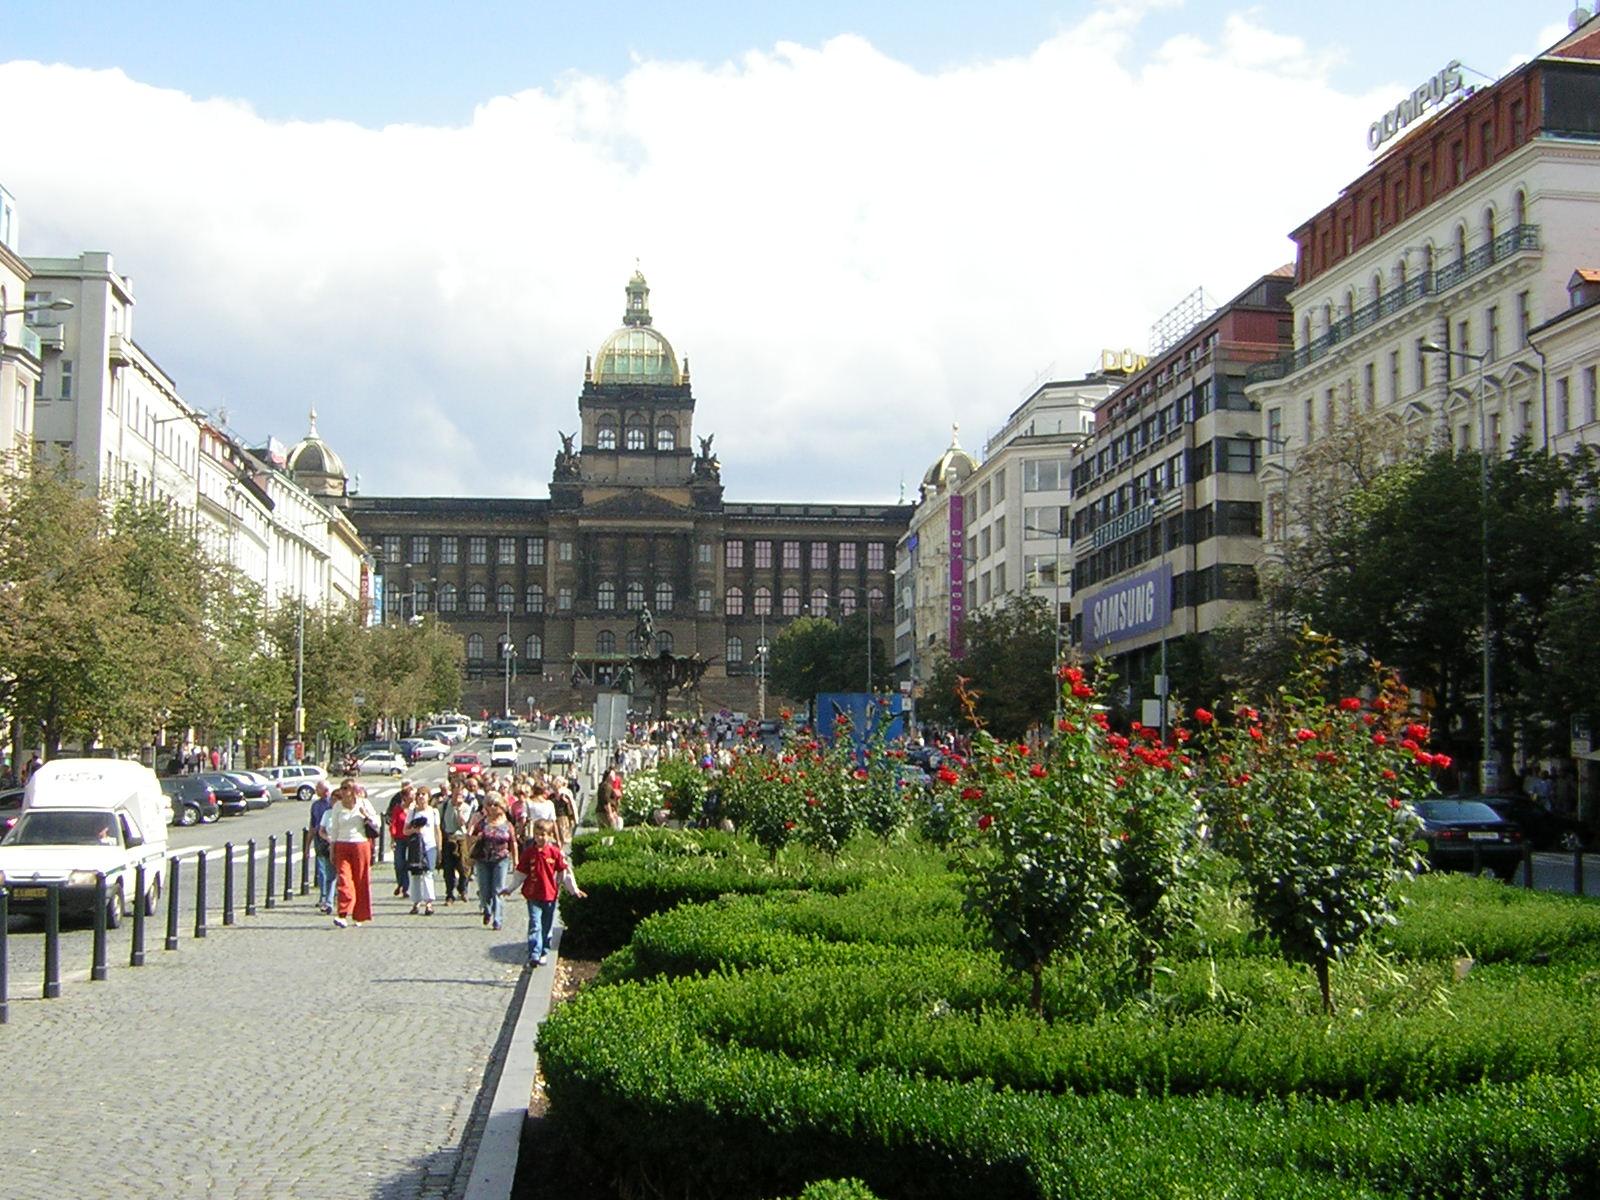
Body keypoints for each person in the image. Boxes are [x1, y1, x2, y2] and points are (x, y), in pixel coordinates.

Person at [506, 818, 585, 966]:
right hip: (533, 894)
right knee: (535, 924)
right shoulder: (529, 853)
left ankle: (544, 951)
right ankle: (534, 953)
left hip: (550, 894)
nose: (540, 838)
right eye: (537, 834)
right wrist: (510, 888)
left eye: (543, 835)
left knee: (546, 925)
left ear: (550, 836)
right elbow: (520, 874)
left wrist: (573, 890)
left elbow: (565, 872)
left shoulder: (555, 853)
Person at [320, 782, 382, 927]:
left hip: (360, 844)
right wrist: (332, 847)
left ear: (353, 790)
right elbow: (334, 829)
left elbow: (377, 822)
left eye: (346, 788)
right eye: (342, 788)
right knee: (344, 878)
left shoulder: (363, 803)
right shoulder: (337, 807)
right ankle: (342, 914)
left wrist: (366, 815)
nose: (343, 791)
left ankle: (359, 915)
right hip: (342, 844)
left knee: (360, 879)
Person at [467, 798, 516, 931]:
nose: (493, 807)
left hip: (501, 859)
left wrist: (516, 861)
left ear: (502, 807)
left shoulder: (507, 824)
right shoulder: (482, 823)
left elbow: (513, 842)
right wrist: (475, 839)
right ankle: (487, 909)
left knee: (498, 889)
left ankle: (497, 919)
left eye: (496, 804)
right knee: (484, 889)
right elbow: (470, 837)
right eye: (490, 805)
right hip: (483, 859)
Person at [406, 789, 439, 916]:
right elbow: (405, 831)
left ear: (429, 797)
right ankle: (416, 902)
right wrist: (415, 829)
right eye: (418, 795)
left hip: (429, 846)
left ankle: (429, 903)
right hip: (415, 846)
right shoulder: (412, 811)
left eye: (423, 794)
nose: (420, 797)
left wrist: (438, 847)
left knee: (428, 873)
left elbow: (437, 830)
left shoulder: (433, 812)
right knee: (415, 875)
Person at [309, 781, 337, 914]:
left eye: (317, 788)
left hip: (340, 844)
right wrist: (307, 844)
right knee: (323, 872)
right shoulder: (316, 805)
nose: (315, 790)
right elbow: (314, 826)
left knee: (335, 873)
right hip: (323, 844)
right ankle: (325, 898)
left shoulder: (333, 806)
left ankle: (332, 897)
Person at [387, 786, 413, 897]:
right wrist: (392, 839)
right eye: (410, 795)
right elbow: (393, 825)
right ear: (404, 797)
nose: (413, 797)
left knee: (409, 863)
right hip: (400, 838)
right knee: (399, 863)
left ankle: (406, 888)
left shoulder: (415, 809)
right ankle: (401, 883)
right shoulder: (398, 809)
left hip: (412, 838)